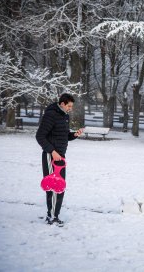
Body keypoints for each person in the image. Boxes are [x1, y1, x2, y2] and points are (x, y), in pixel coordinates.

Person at [36, 93, 84, 226]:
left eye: (71, 106)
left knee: (60, 187)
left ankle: (54, 215)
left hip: (60, 156)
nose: (70, 108)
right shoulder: (51, 115)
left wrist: (74, 134)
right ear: (62, 104)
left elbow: (63, 136)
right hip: (50, 156)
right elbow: (40, 136)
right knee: (53, 186)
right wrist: (52, 151)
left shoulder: (64, 116)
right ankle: (51, 217)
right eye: (69, 106)